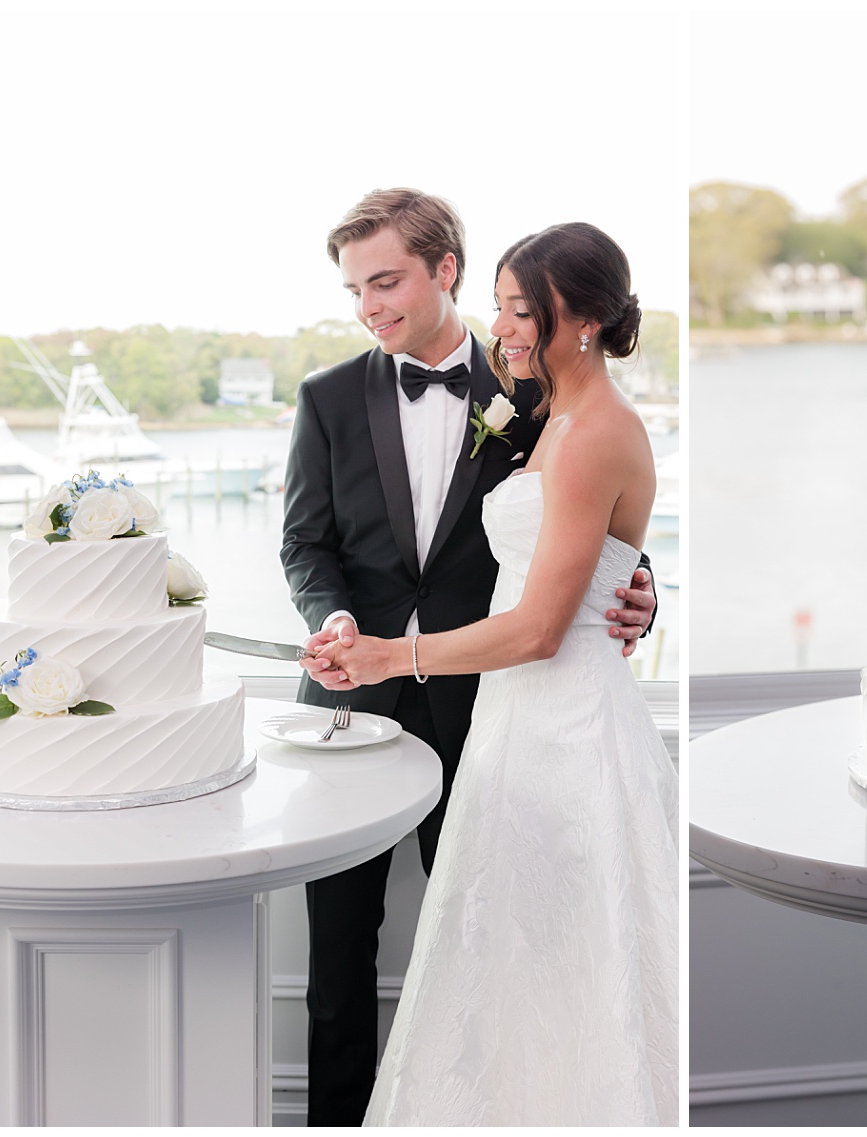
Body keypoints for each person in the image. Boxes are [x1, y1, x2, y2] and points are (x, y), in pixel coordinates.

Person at [279, 190, 658, 1126]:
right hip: (351, 705)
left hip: (491, 704)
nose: (369, 305)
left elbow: (590, 529)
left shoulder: (536, 389)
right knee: (337, 957)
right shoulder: (326, 398)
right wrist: (333, 624)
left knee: (497, 946)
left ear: (444, 269)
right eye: (354, 288)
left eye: (387, 280)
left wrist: (643, 583)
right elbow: (305, 546)